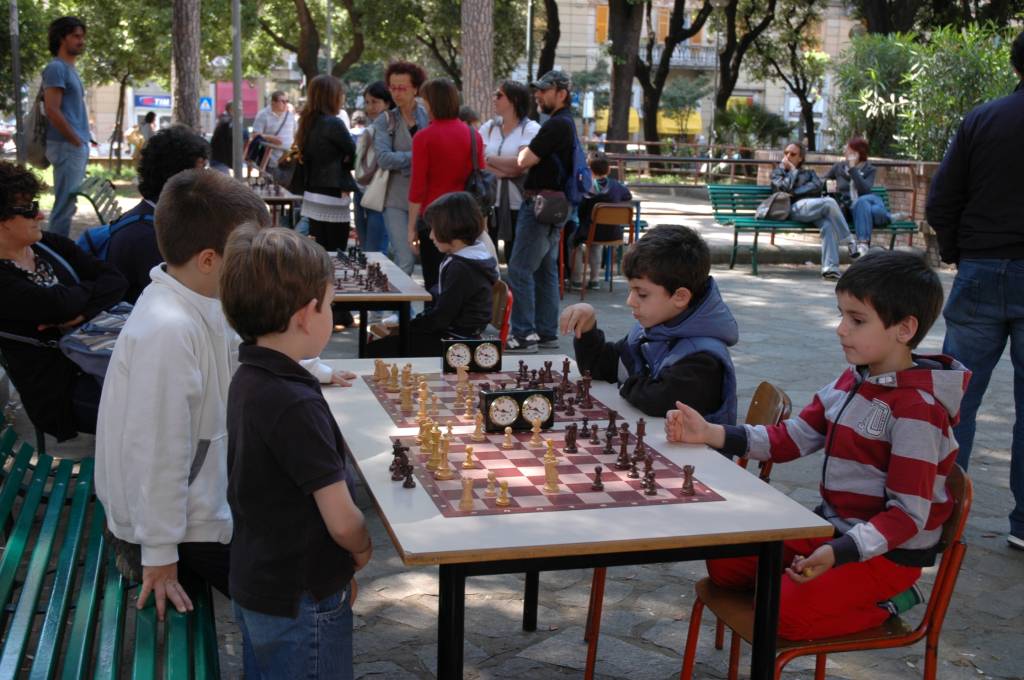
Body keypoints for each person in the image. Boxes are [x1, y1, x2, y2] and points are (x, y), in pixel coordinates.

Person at [666, 251, 967, 640]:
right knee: (726, 563)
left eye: (857, 320)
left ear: (904, 329)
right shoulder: (853, 379)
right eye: (842, 315)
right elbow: (792, 438)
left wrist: (840, 553)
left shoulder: (917, 412)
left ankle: (889, 602)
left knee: (778, 615)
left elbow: (907, 516)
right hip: (833, 529)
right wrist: (712, 434)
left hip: (886, 553)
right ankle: (809, 590)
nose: (841, 329)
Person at [221, 226, 372, 678]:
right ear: (308, 314)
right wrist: (361, 550)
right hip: (302, 595)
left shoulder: (250, 374)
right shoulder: (296, 402)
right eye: (330, 304)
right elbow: (342, 519)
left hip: (258, 580)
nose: (331, 314)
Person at [926, 31, 1024, 551]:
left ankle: (937, 508)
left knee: (955, 398)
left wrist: (960, 253)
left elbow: (943, 198)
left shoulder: (981, 120)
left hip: (982, 267)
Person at [0, 161, 126, 441]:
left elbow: (116, 279)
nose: (41, 214)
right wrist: (87, 294)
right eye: (29, 209)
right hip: (62, 394)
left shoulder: (45, 245)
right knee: (160, 406)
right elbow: (58, 304)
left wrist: (83, 311)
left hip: (101, 364)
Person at [559, 225, 737, 420]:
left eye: (641, 293)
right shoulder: (656, 329)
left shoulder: (703, 359)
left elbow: (658, 400)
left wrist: (626, 383)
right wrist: (587, 328)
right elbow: (602, 367)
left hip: (696, 451)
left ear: (680, 297)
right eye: (631, 291)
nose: (630, 301)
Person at [367, 192, 498, 357]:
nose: (430, 236)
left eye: (434, 230)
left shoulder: (461, 268)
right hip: (457, 334)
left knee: (374, 351)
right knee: (384, 343)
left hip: (457, 344)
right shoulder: (464, 257)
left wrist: (408, 327)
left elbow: (441, 318)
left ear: (450, 229)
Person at [506, 70, 577, 354]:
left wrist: (521, 153)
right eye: (538, 90)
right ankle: (546, 333)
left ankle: (523, 334)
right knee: (545, 270)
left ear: (562, 93)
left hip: (539, 205)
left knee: (520, 269)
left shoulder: (555, 125)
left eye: (545, 90)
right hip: (555, 205)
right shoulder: (566, 123)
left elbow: (524, 159)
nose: (538, 95)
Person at [107, 125, 211, 303]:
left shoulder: (153, 219)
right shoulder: (147, 235)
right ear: (178, 178)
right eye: (201, 171)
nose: (208, 179)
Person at [407, 78, 485, 293]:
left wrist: (411, 227)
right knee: (462, 281)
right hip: (465, 218)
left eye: (425, 101)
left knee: (434, 282)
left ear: (432, 103)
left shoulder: (424, 137)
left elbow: (418, 187)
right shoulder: (473, 135)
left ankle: (436, 321)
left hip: (434, 220)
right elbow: (481, 179)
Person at [373, 61, 429, 275]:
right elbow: (384, 159)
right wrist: (419, 158)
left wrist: (403, 159)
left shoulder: (428, 115)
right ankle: (403, 309)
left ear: (415, 88)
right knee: (404, 258)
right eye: (392, 87)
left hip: (426, 198)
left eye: (402, 88)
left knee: (430, 258)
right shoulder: (386, 120)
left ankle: (426, 307)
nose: (396, 93)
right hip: (395, 199)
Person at [772, 142, 855, 280]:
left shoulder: (809, 173)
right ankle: (850, 241)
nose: (788, 156)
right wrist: (793, 171)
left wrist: (796, 191)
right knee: (829, 202)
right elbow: (785, 190)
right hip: (793, 209)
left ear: (800, 158)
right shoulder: (777, 173)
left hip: (813, 208)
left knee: (828, 225)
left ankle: (830, 268)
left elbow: (817, 186)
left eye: (792, 154)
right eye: (786, 153)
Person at [295, 74, 357, 254]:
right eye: (340, 93)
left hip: (313, 192)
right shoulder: (334, 123)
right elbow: (354, 152)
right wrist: (345, 161)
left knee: (320, 247)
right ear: (331, 96)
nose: (342, 97)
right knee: (336, 250)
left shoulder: (307, 123)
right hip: (333, 193)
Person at [480, 80, 540, 262]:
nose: (494, 99)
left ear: (514, 100)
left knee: (515, 257)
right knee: (486, 254)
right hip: (489, 202)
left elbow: (520, 164)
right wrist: (503, 171)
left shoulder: (530, 128)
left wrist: (490, 159)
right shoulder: (489, 127)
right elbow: (478, 161)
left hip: (519, 203)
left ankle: (514, 290)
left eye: (499, 95)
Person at [42, 16, 90, 238]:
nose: (81, 41)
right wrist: (74, 139)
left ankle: (59, 250)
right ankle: (56, 253)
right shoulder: (56, 68)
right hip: (66, 146)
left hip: (74, 145)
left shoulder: (70, 69)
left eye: (82, 36)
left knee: (68, 206)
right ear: (62, 38)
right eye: (76, 36)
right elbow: (52, 109)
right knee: (64, 206)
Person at [824, 136, 908, 257]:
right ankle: (888, 218)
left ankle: (863, 244)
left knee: (862, 201)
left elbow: (865, 190)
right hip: (850, 209)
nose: (845, 152)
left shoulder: (870, 169)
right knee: (872, 210)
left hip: (867, 200)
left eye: (848, 149)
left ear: (858, 152)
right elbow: (824, 181)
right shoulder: (839, 167)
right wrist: (830, 187)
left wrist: (853, 169)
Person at [570, 152, 633, 291]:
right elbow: (628, 195)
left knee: (574, 242)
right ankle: (594, 280)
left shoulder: (586, 188)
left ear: (589, 169)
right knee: (596, 246)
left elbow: (581, 211)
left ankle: (576, 279)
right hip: (612, 233)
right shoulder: (616, 186)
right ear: (609, 170)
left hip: (589, 231)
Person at [352, 81, 393, 253]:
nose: (370, 107)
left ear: (387, 103)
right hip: (362, 190)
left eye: (375, 102)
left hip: (381, 193)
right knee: (366, 248)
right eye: (367, 102)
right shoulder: (370, 128)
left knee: (375, 251)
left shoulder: (393, 128)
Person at [251, 91, 295, 183]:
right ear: (273, 102)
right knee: (271, 186)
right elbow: (255, 135)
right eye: (282, 101)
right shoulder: (263, 115)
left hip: (288, 159)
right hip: (270, 159)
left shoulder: (290, 116)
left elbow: (296, 134)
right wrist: (271, 138)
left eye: (287, 101)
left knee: (287, 188)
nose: (286, 104)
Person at [209, 102, 247, 173]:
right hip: (220, 161)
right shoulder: (228, 122)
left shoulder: (224, 120)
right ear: (232, 110)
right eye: (240, 109)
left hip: (219, 160)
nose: (242, 112)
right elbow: (242, 134)